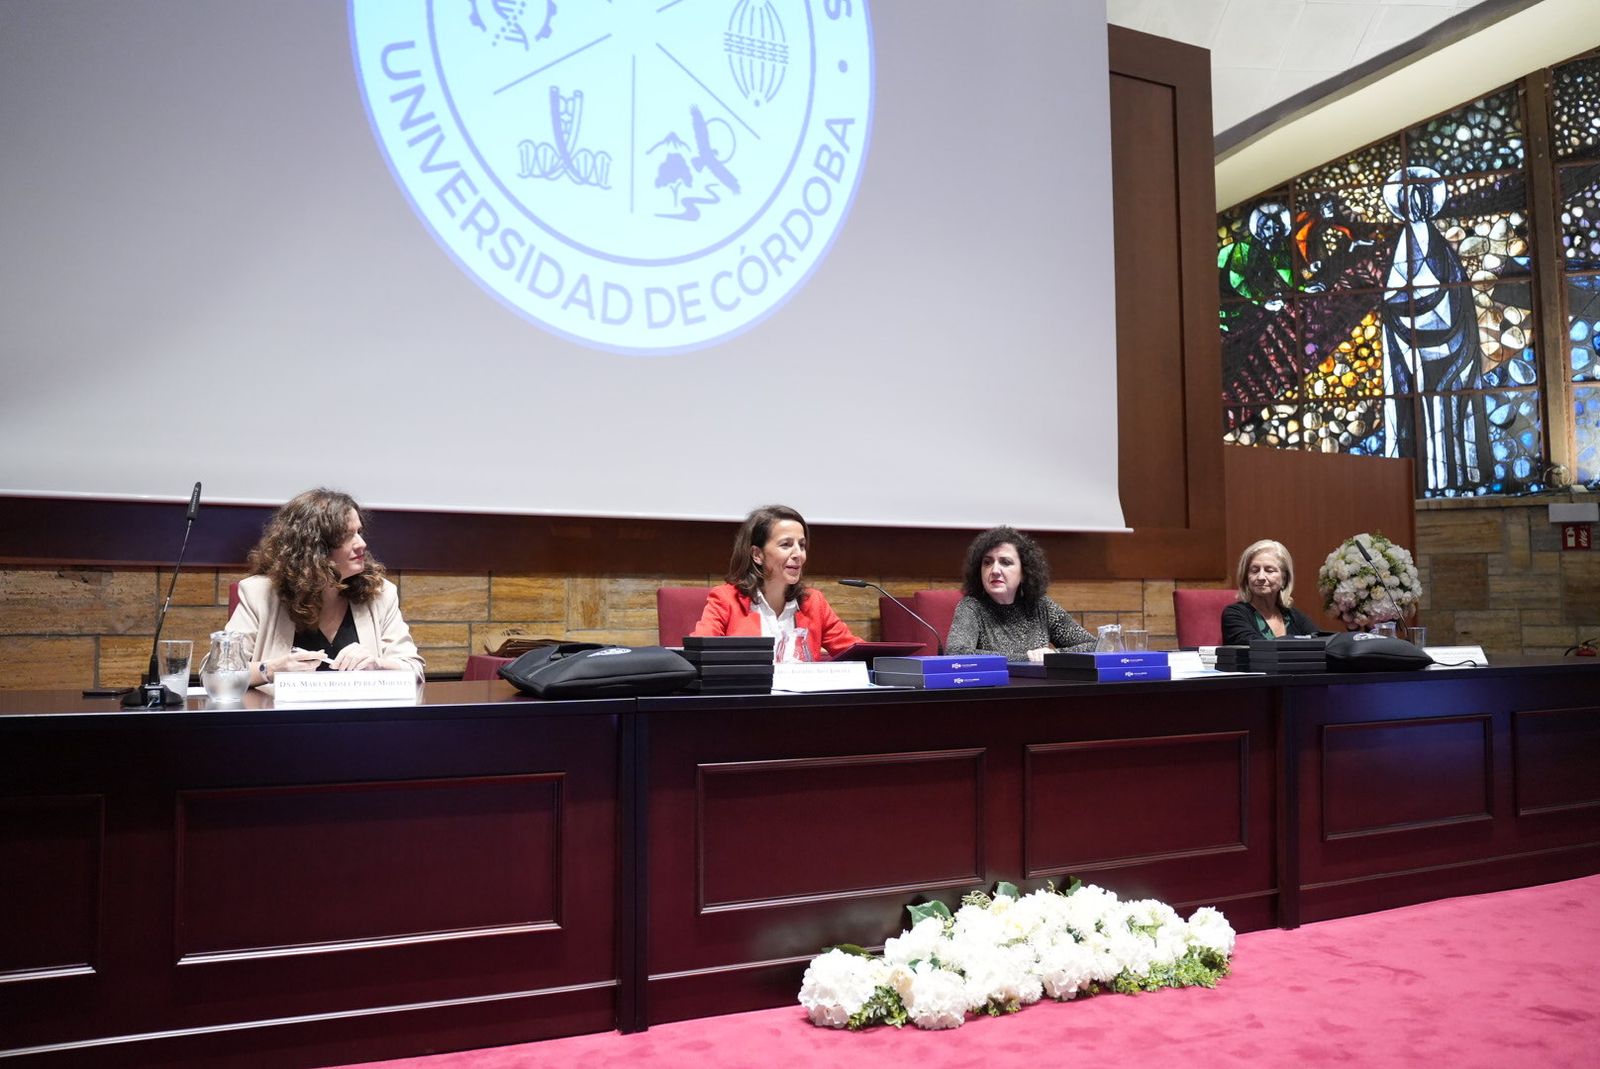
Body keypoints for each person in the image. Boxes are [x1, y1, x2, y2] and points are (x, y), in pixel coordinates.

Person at [226, 488, 425, 687]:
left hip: (360, 716)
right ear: (313, 547)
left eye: (359, 532)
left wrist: (378, 665)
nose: (362, 543)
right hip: (284, 716)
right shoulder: (259, 594)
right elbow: (220, 671)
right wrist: (271, 670)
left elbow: (414, 670)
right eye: (347, 536)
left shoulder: (380, 594)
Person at [690, 504, 861, 660]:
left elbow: (856, 652)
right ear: (757, 554)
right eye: (786, 545)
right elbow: (700, 654)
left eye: (801, 545)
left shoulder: (813, 602)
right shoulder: (727, 599)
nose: (798, 554)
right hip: (749, 694)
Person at [945, 525, 1096, 661]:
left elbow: (1096, 646)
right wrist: (1028, 657)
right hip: (995, 689)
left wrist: (1053, 655)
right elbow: (956, 653)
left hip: (1039, 689)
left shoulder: (1041, 607)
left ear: (1024, 572)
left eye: (1005, 562)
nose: (995, 570)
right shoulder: (972, 607)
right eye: (987, 562)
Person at [1221, 539, 1321, 646]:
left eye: (1269, 570)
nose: (1261, 577)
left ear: (1284, 578)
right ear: (1246, 578)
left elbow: (1322, 643)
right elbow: (1259, 648)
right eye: (1254, 571)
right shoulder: (1234, 614)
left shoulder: (1294, 616)